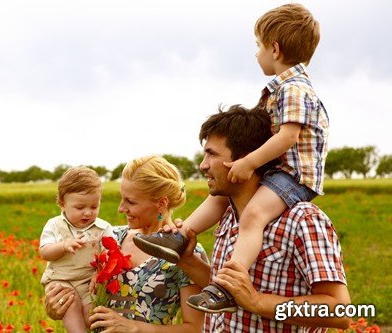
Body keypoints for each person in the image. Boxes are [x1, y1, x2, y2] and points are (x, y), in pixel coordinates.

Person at [134, 3, 330, 313]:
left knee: (253, 216)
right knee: (222, 197)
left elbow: (289, 137)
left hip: (293, 176)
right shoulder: (278, 89)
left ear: (275, 49)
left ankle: (228, 285)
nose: (256, 53)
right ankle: (181, 238)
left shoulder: (294, 89)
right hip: (275, 171)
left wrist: (249, 162)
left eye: (258, 46)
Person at [175, 105, 350, 331]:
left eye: (212, 154)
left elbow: (340, 311)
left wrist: (257, 302)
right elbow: (231, 290)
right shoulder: (228, 216)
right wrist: (187, 260)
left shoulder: (303, 220)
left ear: (247, 159)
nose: (203, 165)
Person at [45, 156, 206, 332]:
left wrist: (134, 327)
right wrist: (57, 306)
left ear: (161, 204)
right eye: (122, 199)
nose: (121, 208)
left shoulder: (184, 252)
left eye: (131, 201)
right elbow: (70, 279)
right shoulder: (109, 237)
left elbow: (195, 328)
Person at [39, 166, 113, 333]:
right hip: (61, 279)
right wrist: (63, 246)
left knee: (91, 316)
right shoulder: (55, 225)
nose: (87, 213)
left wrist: (101, 270)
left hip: (88, 281)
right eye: (80, 208)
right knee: (70, 304)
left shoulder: (103, 228)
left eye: (94, 207)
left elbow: (108, 253)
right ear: (62, 204)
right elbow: (45, 252)